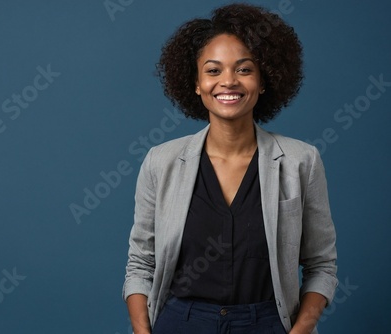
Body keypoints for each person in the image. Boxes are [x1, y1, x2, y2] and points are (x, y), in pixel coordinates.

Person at [123, 3, 337, 334]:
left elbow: (321, 264)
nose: (228, 82)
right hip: (182, 323)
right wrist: (142, 332)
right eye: (213, 70)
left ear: (264, 81)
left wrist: (300, 330)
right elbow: (140, 264)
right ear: (195, 83)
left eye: (244, 69)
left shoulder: (300, 161)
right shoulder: (160, 161)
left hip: (267, 322)